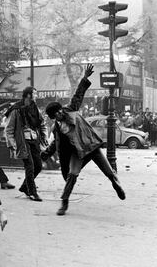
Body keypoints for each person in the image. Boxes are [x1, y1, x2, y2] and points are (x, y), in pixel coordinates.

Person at [42, 64, 126, 216]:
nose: (60, 113)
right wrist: (47, 153)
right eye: (57, 113)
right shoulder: (57, 128)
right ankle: (64, 203)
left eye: (60, 110)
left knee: (109, 172)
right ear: (54, 117)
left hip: (91, 146)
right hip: (78, 152)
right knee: (72, 175)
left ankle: (116, 184)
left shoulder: (71, 109)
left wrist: (85, 78)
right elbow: (56, 143)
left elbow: (78, 95)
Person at [5, 86, 49, 201]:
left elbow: (42, 124)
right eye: (35, 93)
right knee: (30, 166)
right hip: (22, 141)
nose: (37, 96)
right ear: (29, 95)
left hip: (34, 139)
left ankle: (25, 187)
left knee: (38, 166)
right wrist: (13, 145)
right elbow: (9, 129)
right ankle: (32, 192)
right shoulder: (16, 109)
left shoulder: (35, 109)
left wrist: (44, 136)